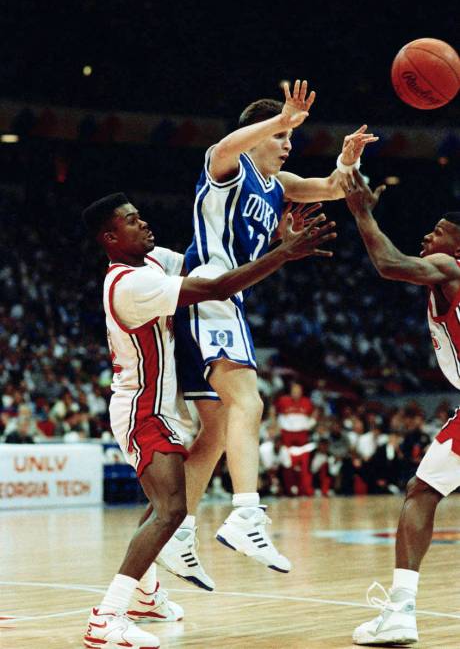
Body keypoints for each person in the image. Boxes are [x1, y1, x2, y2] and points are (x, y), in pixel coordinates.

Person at [81, 192, 336, 649]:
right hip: (142, 410)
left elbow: (212, 265)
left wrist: (270, 240)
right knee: (172, 510)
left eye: (142, 217)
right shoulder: (129, 284)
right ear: (110, 238)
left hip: (159, 407)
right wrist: (285, 254)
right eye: (133, 222)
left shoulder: (152, 262)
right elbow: (218, 289)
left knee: (165, 504)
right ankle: (106, 618)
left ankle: (144, 595)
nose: (145, 225)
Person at [168, 79, 378, 577]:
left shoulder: (278, 187)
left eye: (289, 139)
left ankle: (176, 531)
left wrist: (348, 160)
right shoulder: (229, 166)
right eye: (281, 138)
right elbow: (221, 146)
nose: (287, 146)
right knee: (250, 401)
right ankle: (245, 513)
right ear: (257, 133)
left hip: (217, 301)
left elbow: (332, 188)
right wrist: (282, 118)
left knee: (217, 428)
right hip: (209, 291)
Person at [344, 168, 460, 645]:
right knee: (422, 488)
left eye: (439, 231)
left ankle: (400, 612)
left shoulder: (450, 269)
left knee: (422, 491)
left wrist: (362, 212)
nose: (427, 235)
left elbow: (389, 263)